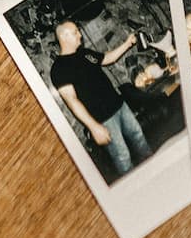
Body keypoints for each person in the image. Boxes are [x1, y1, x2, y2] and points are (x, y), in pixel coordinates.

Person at [49, 19, 153, 178]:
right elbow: (72, 101)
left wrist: (127, 43)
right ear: (64, 36)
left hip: (119, 105)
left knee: (139, 138)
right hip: (103, 120)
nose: (80, 35)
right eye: (76, 32)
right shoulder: (59, 69)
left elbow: (107, 58)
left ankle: (156, 172)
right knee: (123, 158)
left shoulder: (84, 53)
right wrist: (93, 127)